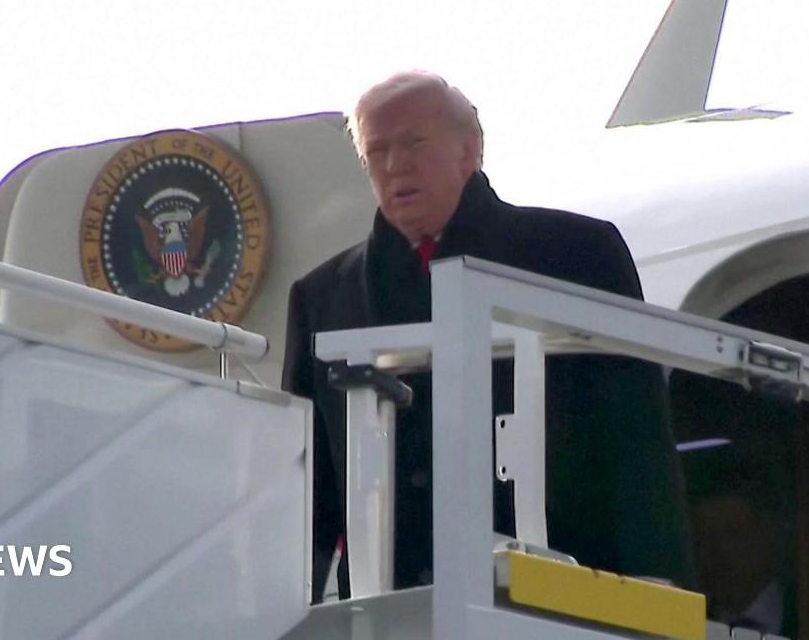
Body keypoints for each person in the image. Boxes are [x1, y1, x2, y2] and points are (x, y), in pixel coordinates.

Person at [282, 71, 693, 603]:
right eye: (377, 151)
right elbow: (308, 486)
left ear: (469, 150)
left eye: (414, 142)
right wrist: (287, 606)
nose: (395, 165)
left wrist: (658, 585)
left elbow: (635, 433)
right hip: (392, 609)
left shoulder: (575, 253)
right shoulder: (321, 298)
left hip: (569, 591)